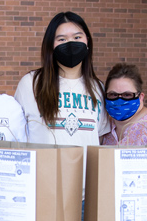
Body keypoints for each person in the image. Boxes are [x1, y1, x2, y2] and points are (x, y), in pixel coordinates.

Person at [13, 11, 109, 148]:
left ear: (87, 41)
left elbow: (99, 137)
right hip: (44, 168)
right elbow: (17, 134)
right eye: (62, 39)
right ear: (50, 45)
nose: (70, 44)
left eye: (77, 37)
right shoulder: (31, 83)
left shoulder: (98, 88)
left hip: (84, 169)